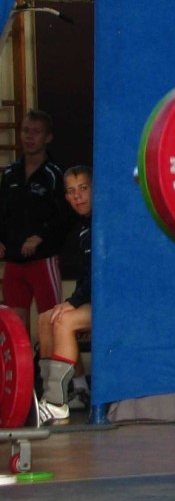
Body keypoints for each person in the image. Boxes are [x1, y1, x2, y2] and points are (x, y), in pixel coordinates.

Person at [0, 110, 73, 333]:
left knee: (49, 321)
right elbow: (3, 211)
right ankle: (25, 368)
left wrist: (41, 235)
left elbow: (66, 215)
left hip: (43, 259)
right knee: (15, 324)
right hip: (13, 260)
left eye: (36, 132)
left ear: (48, 137)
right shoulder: (11, 173)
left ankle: (49, 366)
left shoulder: (55, 174)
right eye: (26, 131)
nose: (29, 137)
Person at [35, 165, 92, 425]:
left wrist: (73, 302)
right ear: (66, 198)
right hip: (93, 300)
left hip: (117, 303)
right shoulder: (82, 227)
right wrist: (71, 302)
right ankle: (74, 391)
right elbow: (86, 277)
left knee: (64, 320)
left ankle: (56, 403)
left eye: (83, 189)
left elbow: (102, 276)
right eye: (71, 192)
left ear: (94, 189)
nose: (78, 196)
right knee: (46, 318)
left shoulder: (105, 223)